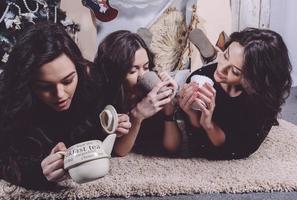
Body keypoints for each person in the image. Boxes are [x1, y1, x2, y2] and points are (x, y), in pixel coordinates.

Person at [0, 22, 130, 189]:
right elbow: (6, 157)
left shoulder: (92, 83)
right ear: (28, 84)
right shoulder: (11, 99)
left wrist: (110, 127)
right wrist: (38, 171)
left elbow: (91, 132)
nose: (60, 94)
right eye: (45, 87)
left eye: (68, 80)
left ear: (79, 68)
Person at [170, 28, 292, 159]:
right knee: (178, 82)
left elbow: (237, 151)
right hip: (204, 76)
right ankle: (214, 57)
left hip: (245, 108)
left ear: (253, 80)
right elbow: (198, 145)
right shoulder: (202, 77)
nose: (221, 69)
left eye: (235, 71)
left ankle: (213, 56)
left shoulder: (261, 104)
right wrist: (191, 114)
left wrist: (209, 125)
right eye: (226, 55)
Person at [93, 30, 179, 156]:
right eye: (133, 71)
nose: (142, 76)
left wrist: (168, 108)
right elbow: (120, 151)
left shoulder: (151, 91)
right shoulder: (104, 98)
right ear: (115, 73)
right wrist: (137, 116)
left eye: (146, 67)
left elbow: (172, 147)